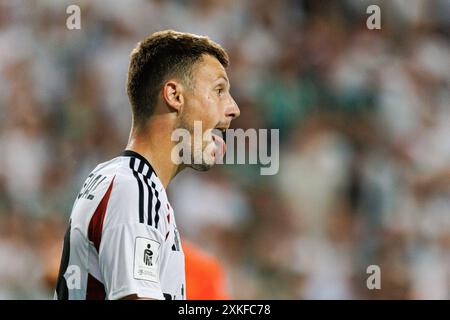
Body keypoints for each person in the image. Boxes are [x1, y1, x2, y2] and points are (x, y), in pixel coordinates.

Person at [54, 30, 240, 300]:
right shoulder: (133, 189)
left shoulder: (124, 181)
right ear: (175, 95)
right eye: (219, 90)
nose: (233, 108)